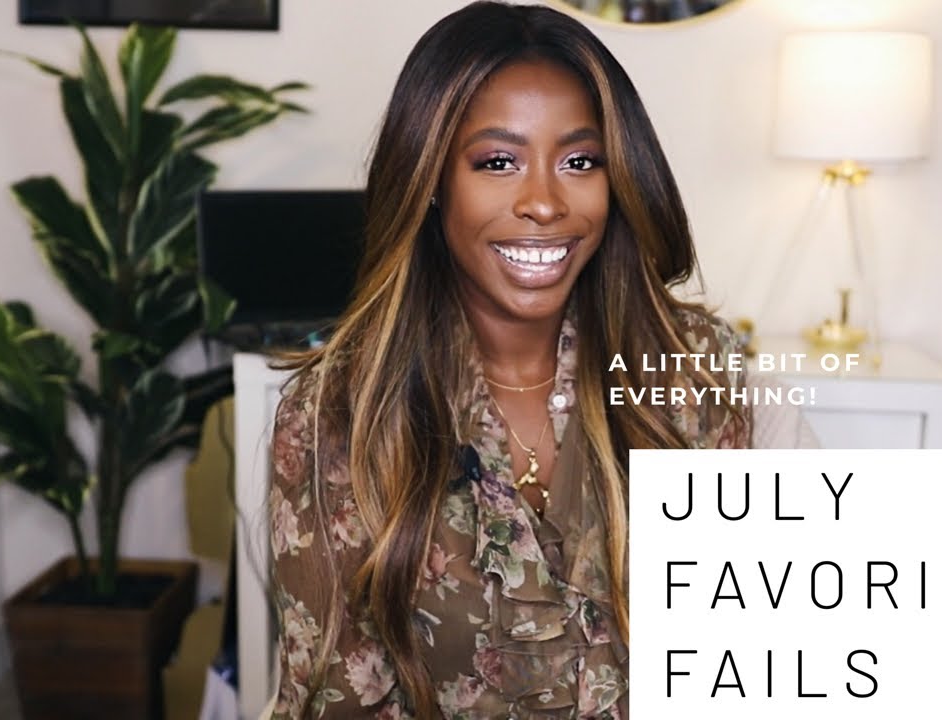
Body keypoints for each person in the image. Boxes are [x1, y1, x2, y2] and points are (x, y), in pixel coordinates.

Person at [267, 2, 751, 717]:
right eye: (498, 162)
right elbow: (337, 699)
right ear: (432, 178)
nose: (545, 203)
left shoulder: (692, 370)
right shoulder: (335, 416)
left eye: (580, 162)